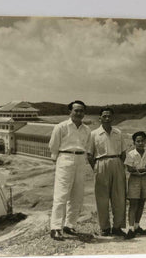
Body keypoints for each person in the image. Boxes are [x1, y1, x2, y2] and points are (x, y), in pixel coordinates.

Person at [48, 100, 92, 241]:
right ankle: (55, 228)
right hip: (65, 158)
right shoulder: (61, 127)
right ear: (70, 112)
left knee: (77, 196)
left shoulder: (87, 130)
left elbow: (87, 146)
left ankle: (69, 225)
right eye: (76, 110)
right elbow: (53, 146)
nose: (79, 113)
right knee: (61, 195)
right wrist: (58, 160)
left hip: (80, 160)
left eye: (81, 111)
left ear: (84, 113)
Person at [89, 107, 127, 237]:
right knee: (102, 198)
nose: (107, 118)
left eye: (109, 116)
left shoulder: (118, 133)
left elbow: (123, 153)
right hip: (101, 163)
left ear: (112, 118)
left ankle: (117, 227)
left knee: (119, 197)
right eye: (104, 116)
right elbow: (90, 155)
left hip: (116, 162)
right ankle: (104, 227)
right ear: (100, 118)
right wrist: (97, 167)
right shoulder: (94, 134)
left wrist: (119, 165)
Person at [124, 131, 146, 240]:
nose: (140, 143)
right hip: (134, 180)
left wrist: (145, 172)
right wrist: (140, 171)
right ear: (134, 142)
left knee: (142, 202)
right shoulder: (131, 154)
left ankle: (137, 226)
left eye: (142, 141)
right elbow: (129, 168)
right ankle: (131, 228)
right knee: (133, 203)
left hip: (145, 180)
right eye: (138, 141)